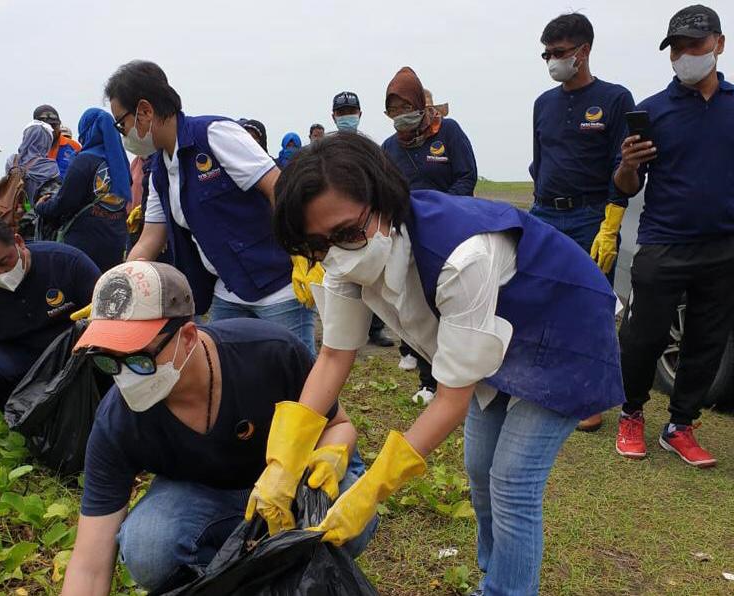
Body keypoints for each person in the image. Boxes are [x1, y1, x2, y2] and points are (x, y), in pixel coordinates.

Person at [247, 133, 623, 596]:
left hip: (565, 326)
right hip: (496, 329)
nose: (336, 254)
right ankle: (493, 578)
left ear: (383, 201)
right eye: (317, 245)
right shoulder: (343, 260)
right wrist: (283, 462)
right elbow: (333, 355)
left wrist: (372, 489)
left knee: (513, 480)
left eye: (347, 233)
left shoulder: (462, 256)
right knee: (480, 469)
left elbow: (450, 401)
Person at [60, 261, 376, 594]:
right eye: (108, 360)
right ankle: (235, 578)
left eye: (140, 359)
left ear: (187, 337)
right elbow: (89, 563)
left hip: (293, 480)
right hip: (206, 495)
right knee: (148, 546)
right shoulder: (118, 420)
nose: (125, 376)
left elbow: (338, 426)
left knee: (350, 515)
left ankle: (285, 567)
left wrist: (326, 458)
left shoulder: (268, 353)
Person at [106, 60, 317, 356]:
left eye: (121, 123)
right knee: (223, 371)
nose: (122, 132)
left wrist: (302, 253)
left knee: (296, 372)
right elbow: (149, 240)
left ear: (145, 111)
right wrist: (117, 285)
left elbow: (278, 188)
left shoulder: (214, 135)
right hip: (228, 289)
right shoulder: (160, 172)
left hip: (278, 286)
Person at [613, 4, 734, 468]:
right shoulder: (653, 111)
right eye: (676, 48)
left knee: (706, 341)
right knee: (641, 338)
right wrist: (628, 165)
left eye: (694, 45)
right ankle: (631, 413)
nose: (685, 55)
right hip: (663, 242)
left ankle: (680, 425)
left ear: (719, 44)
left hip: (722, 245)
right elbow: (626, 187)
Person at [531, 13, 636, 432]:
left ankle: (589, 399)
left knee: (590, 307)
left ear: (584, 51)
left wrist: (610, 225)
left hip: (590, 215)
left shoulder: (615, 99)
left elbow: (623, 171)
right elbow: (540, 163)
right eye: (546, 54)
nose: (552, 61)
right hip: (545, 213)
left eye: (559, 53)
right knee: (542, 300)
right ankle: (550, 384)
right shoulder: (543, 103)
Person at [381, 67, 478, 405]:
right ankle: (429, 381)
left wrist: (441, 210)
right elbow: (385, 192)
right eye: (392, 110)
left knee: (454, 304)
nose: (399, 115)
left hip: (451, 233)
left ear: (420, 104)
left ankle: (462, 377)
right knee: (420, 308)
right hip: (411, 238)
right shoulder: (388, 148)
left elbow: (467, 176)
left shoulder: (448, 132)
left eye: (405, 107)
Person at [0, 215, 99, 418]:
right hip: (18, 357)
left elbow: (109, 308)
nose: (0, 274)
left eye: (4, 262)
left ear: (18, 242)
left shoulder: (67, 261)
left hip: (75, 351)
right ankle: (19, 417)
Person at [329, 90, 394, 347]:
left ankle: (375, 329)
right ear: (333, 116)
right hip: (336, 223)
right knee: (342, 276)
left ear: (359, 114)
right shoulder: (326, 149)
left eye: (351, 112)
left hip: (366, 221)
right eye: (342, 113)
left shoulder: (370, 148)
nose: (347, 117)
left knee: (374, 276)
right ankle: (346, 332)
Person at [34, 108, 130, 273]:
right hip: (116, 241)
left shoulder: (84, 160)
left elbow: (64, 203)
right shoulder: (121, 162)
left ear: (87, 130)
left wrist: (41, 207)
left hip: (84, 245)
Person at [6, 121, 62, 208]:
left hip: (9, 211)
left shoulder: (12, 160)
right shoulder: (49, 166)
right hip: (33, 213)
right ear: (47, 142)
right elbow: (51, 200)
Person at [34, 104, 81, 178]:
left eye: (53, 125)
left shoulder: (74, 147)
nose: (51, 130)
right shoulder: (30, 150)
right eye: (46, 127)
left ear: (59, 124)